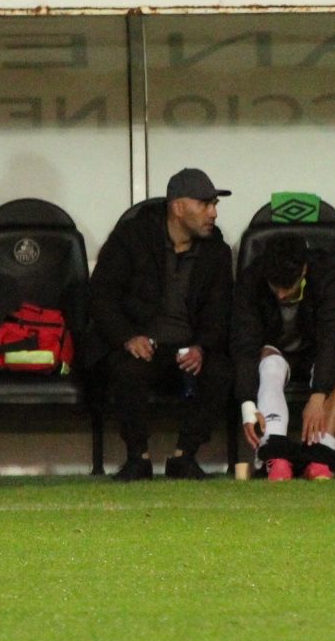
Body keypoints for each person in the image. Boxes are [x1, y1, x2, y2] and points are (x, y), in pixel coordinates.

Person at [91, 169, 235, 480]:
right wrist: (129, 337)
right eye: (205, 204)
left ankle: (185, 456)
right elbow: (101, 296)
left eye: (215, 205)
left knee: (220, 370)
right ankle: (137, 459)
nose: (213, 212)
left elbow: (220, 310)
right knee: (126, 368)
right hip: (143, 345)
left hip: (188, 348)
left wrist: (202, 346)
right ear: (178, 207)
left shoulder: (217, 252)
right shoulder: (131, 239)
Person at [232, 235, 335, 480]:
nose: (279, 295)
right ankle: (275, 454)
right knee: (268, 360)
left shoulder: (328, 277)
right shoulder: (250, 280)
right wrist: (247, 404)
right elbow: (244, 344)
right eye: (274, 286)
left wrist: (319, 394)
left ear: (304, 269)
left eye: (287, 286)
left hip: (317, 351)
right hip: (276, 349)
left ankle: (321, 455)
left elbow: (331, 340)